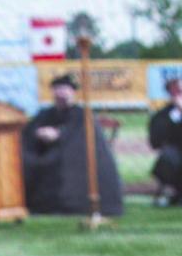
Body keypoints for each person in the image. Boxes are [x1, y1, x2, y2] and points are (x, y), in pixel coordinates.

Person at [21, 73, 124, 216]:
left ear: (72, 92)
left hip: (72, 157)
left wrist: (58, 134)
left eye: (65, 89)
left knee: (52, 162)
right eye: (57, 89)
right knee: (26, 160)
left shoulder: (82, 115)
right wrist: (40, 133)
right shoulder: (46, 113)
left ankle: (60, 204)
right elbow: (31, 131)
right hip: (46, 152)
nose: (61, 92)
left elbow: (79, 138)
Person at [148, 75, 182, 206]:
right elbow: (155, 141)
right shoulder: (161, 116)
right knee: (170, 158)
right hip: (173, 155)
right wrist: (176, 115)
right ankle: (177, 193)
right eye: (176, 92)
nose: (180, 95)